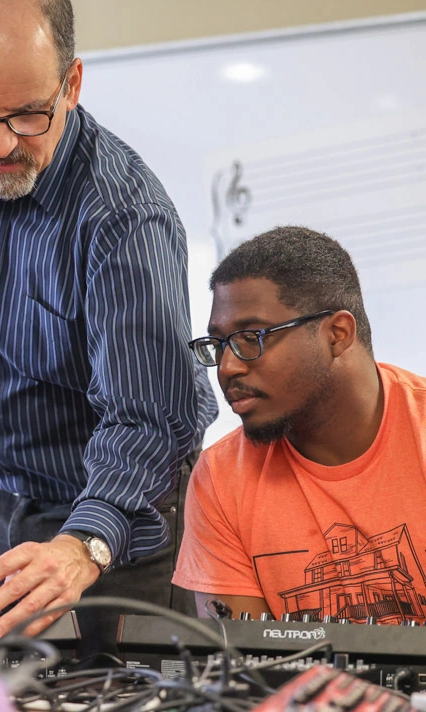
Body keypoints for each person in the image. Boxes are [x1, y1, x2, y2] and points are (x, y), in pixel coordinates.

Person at [0, 0, 217, 642]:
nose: (1, 143)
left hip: (112, 521)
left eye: (28, 115)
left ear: (71, 85)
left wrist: (81, 547)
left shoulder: (125, 220)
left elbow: (144, 420)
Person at [173, 225, 426, 624]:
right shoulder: (220, 478)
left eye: (251, 337)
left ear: (337, 334)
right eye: (219, 344)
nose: (227, 367)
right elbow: (242, 668)